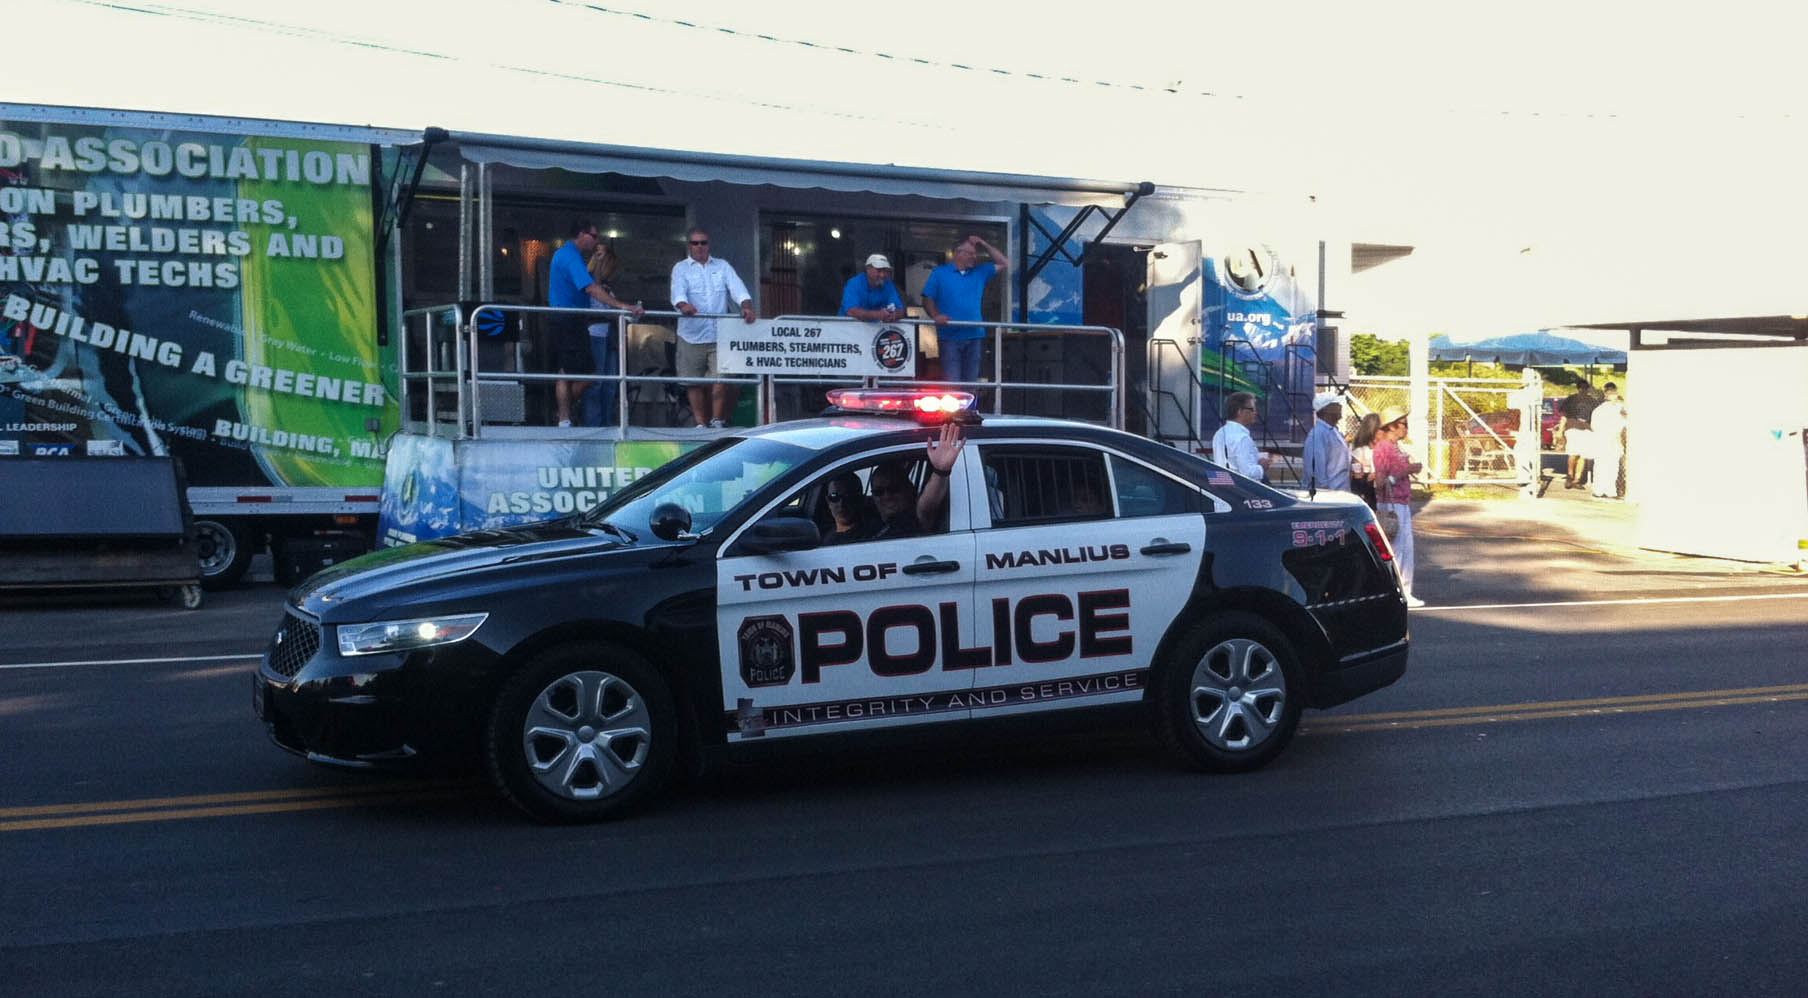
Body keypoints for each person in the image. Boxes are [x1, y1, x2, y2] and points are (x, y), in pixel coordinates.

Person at [548, 218, 644, 428]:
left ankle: (562, 414)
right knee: (578, 374)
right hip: (568, 319)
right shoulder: (571, 256)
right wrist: (622, 306)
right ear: (581, 234)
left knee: (577, 373)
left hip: (572, 319)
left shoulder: (570, 255)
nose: (596, 240)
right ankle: (562, 414)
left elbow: (593, 282)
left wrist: (598, 262)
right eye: (593, 236)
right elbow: (590, 288)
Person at [670, 227, 757, 428]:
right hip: (691, 334)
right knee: (694, 383)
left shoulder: (723, 266)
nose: (700, 247)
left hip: (719, 334)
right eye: (695, 243)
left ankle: (717, 421)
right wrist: (683, 305)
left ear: (709, 245)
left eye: (703, 243)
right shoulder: (681, 268)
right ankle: (701, 424)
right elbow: (677, 292)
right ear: (689, 246)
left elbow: (737, 287)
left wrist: (746, 305)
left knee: (721, 379)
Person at [921, 235, 1008, 386]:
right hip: (949, 337)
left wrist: (983, 242)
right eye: (970, 253)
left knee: (971, 383)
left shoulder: (980, 272)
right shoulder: (940, 273)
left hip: (975, 336)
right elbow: (928, 298)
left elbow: (1004, 262)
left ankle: (968, 410)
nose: (974, 257)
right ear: (957, 253)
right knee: (952, 383)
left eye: (975, 253)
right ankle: (954, 410)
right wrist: (936, 315)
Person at [581, 241, 643, 428]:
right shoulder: (588, 283)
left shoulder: (608, 288)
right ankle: (593, 425)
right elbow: (595, 285)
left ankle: (607, 424)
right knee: (597, 383)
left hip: (610, 337)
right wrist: (598, 260)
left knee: (611, 384)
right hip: (595, 334)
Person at [868, 422, 964, 539]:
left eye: (894, 489)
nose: (887, 496)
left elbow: (926, 508)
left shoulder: (911, 520)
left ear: (909, 489)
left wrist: (941, 471)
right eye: (879, 492)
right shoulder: (871, 522)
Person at [1372, 406, 1425, 608]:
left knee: (1404, 547)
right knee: (1398, 547)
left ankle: (1404, 588)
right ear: (1392, 426)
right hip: (1392, 503)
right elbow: (1381, 479)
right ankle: (1401, 589)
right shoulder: (1384, 448)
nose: (1406, 428)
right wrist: (1406, 470)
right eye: (1403, 424)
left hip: (1401, 500)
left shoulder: (1395, 447)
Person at [1209, 391, 1271, 480]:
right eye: (1252, 409)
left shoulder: (1219, 433)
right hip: (1242, 490)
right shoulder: (1242, 438)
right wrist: (1262, 467)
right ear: (1240, 411)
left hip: (1223, 486)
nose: (1256, 413)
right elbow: (1248, 474)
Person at [1301, 392, 1352, 494]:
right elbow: (1316, 471)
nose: (1340, 406)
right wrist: (1325, 495)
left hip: (1340, 493)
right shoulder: (1317, 435)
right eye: (1336, 404)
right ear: (1326, 410)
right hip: (1329, 495)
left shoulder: (1333, 431)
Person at [840, 253, 905, 323]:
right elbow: (851, 311)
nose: (882, 275)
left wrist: (894, 315)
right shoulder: (854, 283)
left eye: (885, 271)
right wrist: (877, 315)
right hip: (848, 328)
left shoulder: (888, 284)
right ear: (868, 269)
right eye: (879, 270)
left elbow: (900, 310)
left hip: (876, 330)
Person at [1589, 382, 1627, 499]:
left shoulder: (1619, 408)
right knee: (1603, 465)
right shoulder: (1601, 410)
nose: (1612, 395)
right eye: (1610, 393)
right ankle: (1601, 490)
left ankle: (1606, 490)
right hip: (1605, 439)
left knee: (1610, 465)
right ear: (1606, 394)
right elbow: (1594, 426)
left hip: (1611, 440)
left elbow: (1625, 423)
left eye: (1614, 393)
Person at [821, 471, 878, 545]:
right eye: (834, 497)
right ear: (828, 501)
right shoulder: (822, 534)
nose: (841, 504)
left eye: (849, 497)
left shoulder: (872, 537)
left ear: (861, 499)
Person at [1558, 384, 1596, 489]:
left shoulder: (1592, 401)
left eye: (1585, 388)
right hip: (1572, 428)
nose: (1583, 390)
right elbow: (1564, 416)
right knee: (1573, 454)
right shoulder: (1571, 399)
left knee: (1582, 456)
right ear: (1578, 388)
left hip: (1586, 430)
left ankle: (1577, 479)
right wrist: (1560, 430)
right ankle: (1570, 476)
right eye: (1581, 388)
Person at [1347, 412, 1382, 508]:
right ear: (1372, 431)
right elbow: (1357, 475)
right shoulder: (1360, 450)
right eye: (1381, 430)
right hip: (1366, 491)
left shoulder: (1380, 448)